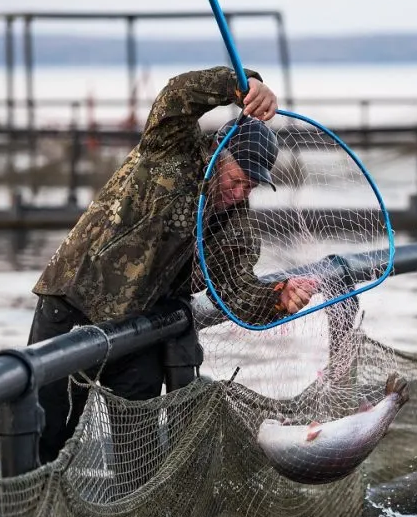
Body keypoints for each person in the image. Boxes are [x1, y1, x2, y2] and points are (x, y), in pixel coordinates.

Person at [28, 66, 316, 466]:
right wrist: (244, 84)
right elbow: (177, 95)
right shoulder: (172, 148)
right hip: (72, 307)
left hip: (138, 331)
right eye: (238, 179)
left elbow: (235, 290)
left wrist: (277, 298)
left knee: (139, 452)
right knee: (47, 437)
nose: (240, 192)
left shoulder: (236, 224)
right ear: (218, 155)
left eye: (251, 185)